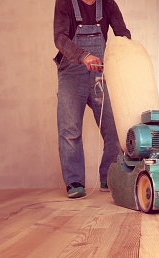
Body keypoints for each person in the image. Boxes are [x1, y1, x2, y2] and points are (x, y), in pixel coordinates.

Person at [54, 0, 131, 198]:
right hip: (72, 73)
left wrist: (125, 54)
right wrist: (84, 55)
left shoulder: (108, 4)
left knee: (114, 127)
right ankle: (74, 181)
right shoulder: (65, 3)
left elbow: (122, 35)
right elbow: (60, 39)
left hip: (101, 74)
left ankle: (109, 176)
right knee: (70, 130)